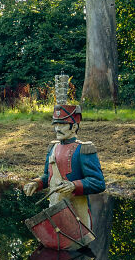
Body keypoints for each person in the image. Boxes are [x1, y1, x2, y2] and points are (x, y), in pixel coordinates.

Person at [23, 75, 105, 228]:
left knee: (76, 249)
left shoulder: (85, 149)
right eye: (56, 124)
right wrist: (37, 183)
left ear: (74, 127)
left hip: (77, 215)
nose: (57, 129)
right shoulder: (52, 147)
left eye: (62, 125)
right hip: (54, 210)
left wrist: (74, 185)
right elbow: (48, 176)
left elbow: (99, 183)